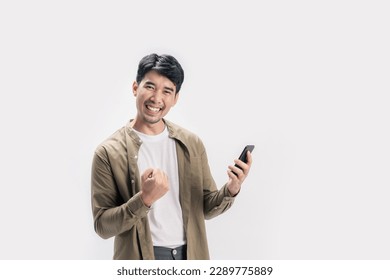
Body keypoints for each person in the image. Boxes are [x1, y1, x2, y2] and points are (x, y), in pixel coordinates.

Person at [91, 53, 252, 260]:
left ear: (175, 98)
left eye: (167, 91)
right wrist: (145, 199)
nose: (157, 98)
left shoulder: (191, 143)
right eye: (150, 86)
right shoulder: (108, 152)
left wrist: (231, 188)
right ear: (135, 88)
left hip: (191, 255)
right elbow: (102, 226)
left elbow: (206, 208)